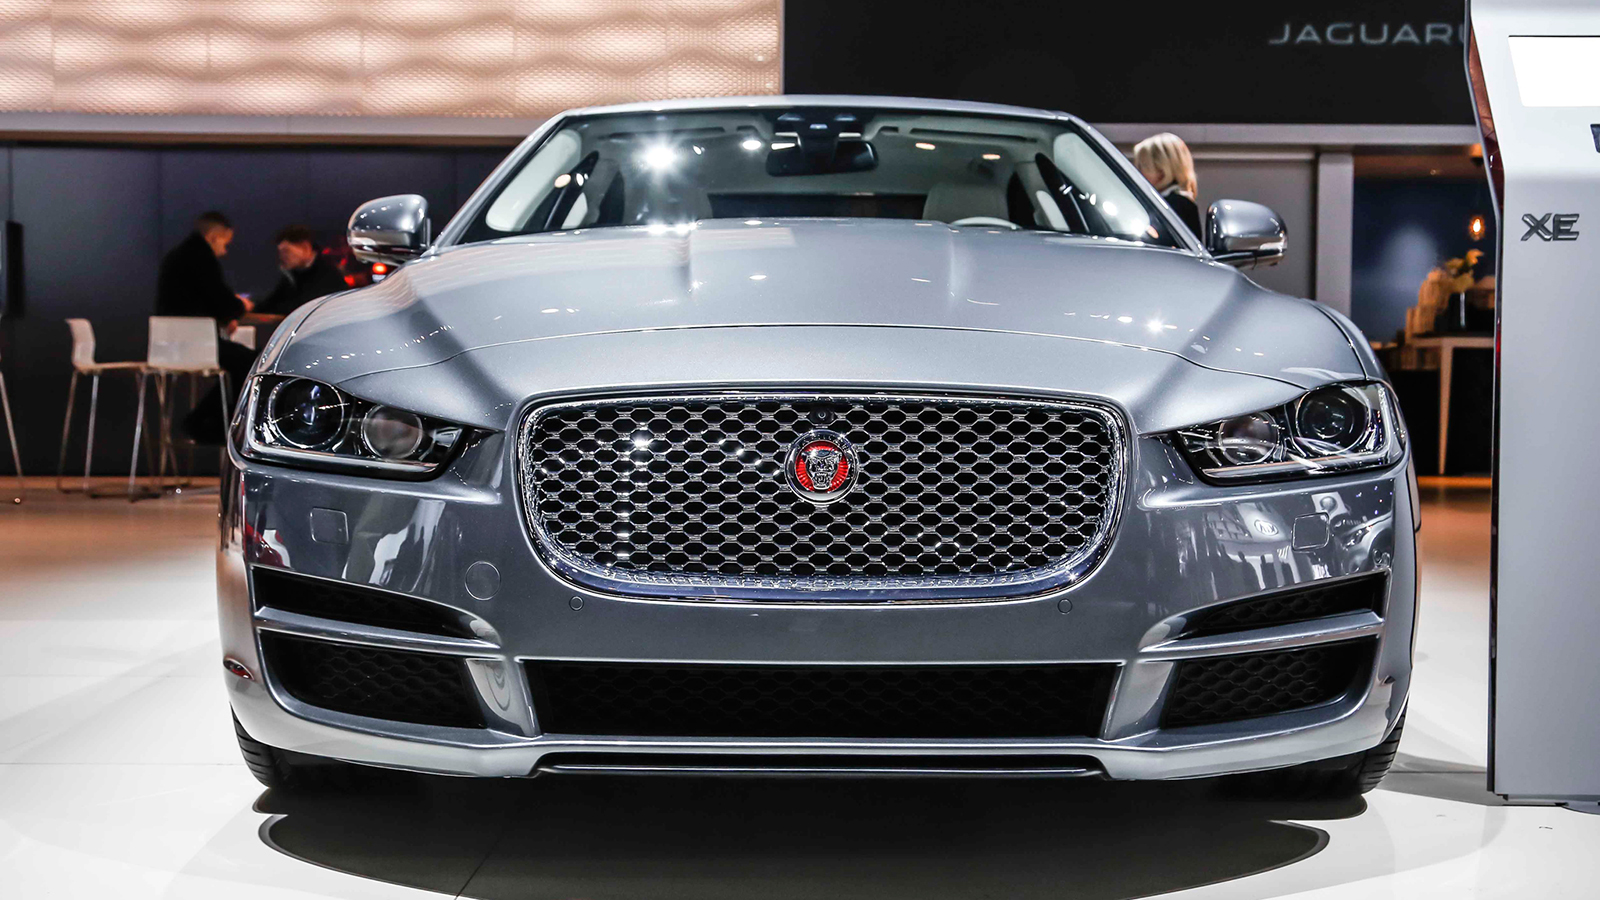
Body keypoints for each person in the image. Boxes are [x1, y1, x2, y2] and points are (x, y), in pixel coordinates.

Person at [155, 211, 255, 445]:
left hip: (169, 343)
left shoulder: (177, 255)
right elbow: (220, 300)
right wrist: (240, 306)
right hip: (193, 343)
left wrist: (225, 314)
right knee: (254, 363)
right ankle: (214, 425)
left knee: (241, 362)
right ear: (213, 237)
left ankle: (203, 421)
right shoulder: (201, 258)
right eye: (225, 243)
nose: (225, 251)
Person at [255, 225, 348, 317]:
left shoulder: (328, 276)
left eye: (286, 251)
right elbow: (271, 303)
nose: (282, 257)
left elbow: (302, 308)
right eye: (280, 252)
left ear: (305, 248)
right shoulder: (293, 276)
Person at [1133, 133, 1203, 238]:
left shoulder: (1177, 206)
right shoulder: (1178, 203)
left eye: (1142, 167)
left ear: (1161, 171)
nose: (1137, 174)